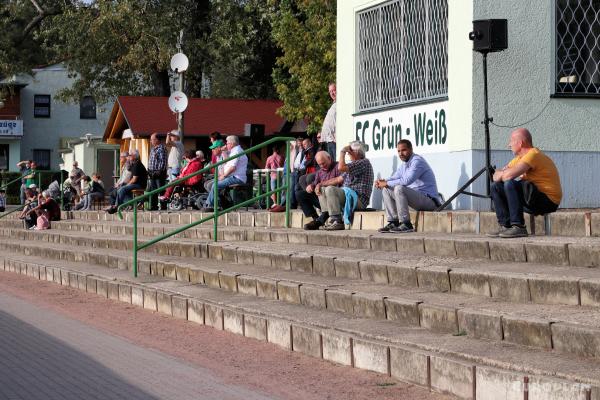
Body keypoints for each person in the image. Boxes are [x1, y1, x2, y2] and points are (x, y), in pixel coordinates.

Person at [489, 128, 562, 238]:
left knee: (510, 183)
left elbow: (507, 175)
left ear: (520, 143)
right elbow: (495, 176)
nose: (509, 145)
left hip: (548, 201)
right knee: (496, 187)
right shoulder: (519, 159)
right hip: (533, 197)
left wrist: (504, 174)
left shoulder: (533, 154)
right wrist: (503, 174)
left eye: (511, 141)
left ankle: (519, 227)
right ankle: (505, 226)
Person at [375, 139, 440, 233]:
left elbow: (406, 181)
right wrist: (383, 181)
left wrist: (386, 183)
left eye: (404, 150)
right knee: (386, 189)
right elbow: (395, 177)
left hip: (429, 201)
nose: (401, 153)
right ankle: (394, 222)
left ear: (411, 149)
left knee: (399, 188)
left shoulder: (417, 161)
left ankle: (406, 224)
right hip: (416, 201)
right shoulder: (405, 164)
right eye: (399, 151)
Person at [316, 141, 373, 231]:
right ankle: (325, 215)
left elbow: (340, 167)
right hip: (349, 196)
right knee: (322, 189)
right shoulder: (353, 165)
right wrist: (320, 184)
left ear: (356, 153)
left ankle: (337, 221)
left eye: (350, 152)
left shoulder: (363, 162)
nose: (348, 154)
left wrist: (342, 152)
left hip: (358, 199)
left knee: (330, 189)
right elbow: (338, 179)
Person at [297, 151, 342, 230]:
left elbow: (340, 183)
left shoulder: (338, 167)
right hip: (322, 200)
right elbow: (315, 183)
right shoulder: (320, 172)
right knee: (300, 194)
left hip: (334, 201)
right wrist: (311, 186)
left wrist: (322, 185)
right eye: (319, 164)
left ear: (329, 158)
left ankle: (319, 222)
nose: (322, 166)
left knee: (327, 190)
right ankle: (315, 218)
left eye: (323, 163)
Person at [202, 135, 247, 212]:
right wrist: (224, 151)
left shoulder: (236, 151)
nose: (226, 145)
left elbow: (233, 168)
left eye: (227, 143)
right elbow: (227, 162)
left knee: (215, 185)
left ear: (232, 144)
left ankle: (210, 205)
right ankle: (220, 204)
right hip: (233, 176)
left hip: (236, 177)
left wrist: (224, 175)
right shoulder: (234, 151)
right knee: (214, 184)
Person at [147, 133, 168, 210]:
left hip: (159, 173)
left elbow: (163, 161)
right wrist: (149, 171)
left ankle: (163, 206)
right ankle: (153, 206)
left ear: (157, 140)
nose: (151, 141)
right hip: (152, 172)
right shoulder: (153, 149)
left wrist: (158, 172)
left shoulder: (161, 148)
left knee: (161, 190)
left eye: (152, 139)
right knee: (153, 190)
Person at [320, 82, 337, 161]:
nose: (332, 93)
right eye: (330, 91)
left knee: (335, 164)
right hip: (329, 140)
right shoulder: (333, 104)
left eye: (334, 90)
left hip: (334, 139)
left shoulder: (341, 103)